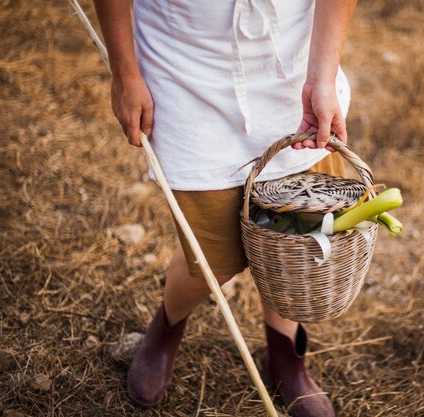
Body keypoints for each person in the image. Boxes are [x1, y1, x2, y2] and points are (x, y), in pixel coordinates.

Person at [92, 0, 357, 415]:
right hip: (184, 69)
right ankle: (166, 328)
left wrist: (322, 76)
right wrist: (125, 75)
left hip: (292, 66)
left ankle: (285, 356)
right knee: (213, 259)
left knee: (296, 237)